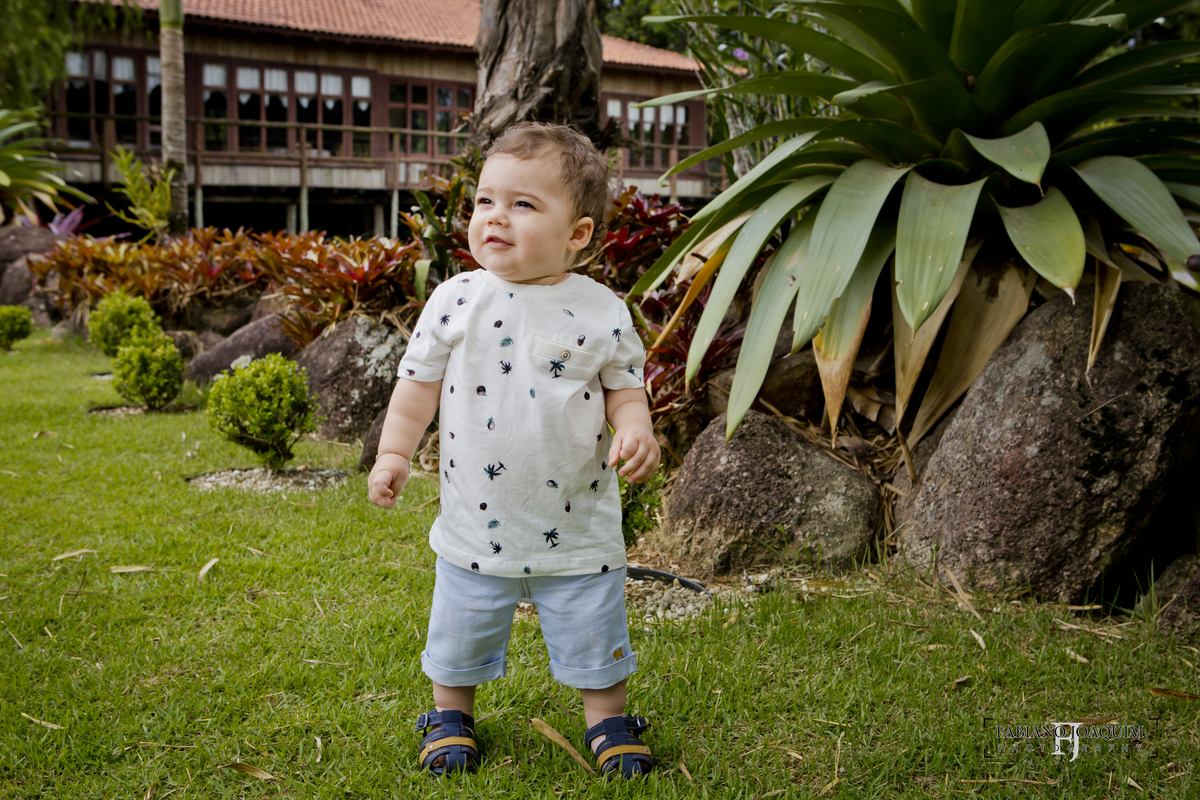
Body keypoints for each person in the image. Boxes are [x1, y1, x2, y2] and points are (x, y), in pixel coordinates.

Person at [368, 122, 661, 779]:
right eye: (485, 201)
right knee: (461, 624)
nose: (495, 217)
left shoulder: (601, 310)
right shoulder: (455, 300)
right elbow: (416, 389)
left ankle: (607, 720)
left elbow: (623, 390)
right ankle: (450, 715)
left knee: (592, 621)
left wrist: (636, 429)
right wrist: (394, 454)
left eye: (523, 204)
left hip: (576, 522)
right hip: (476, 521)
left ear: (577, 234)